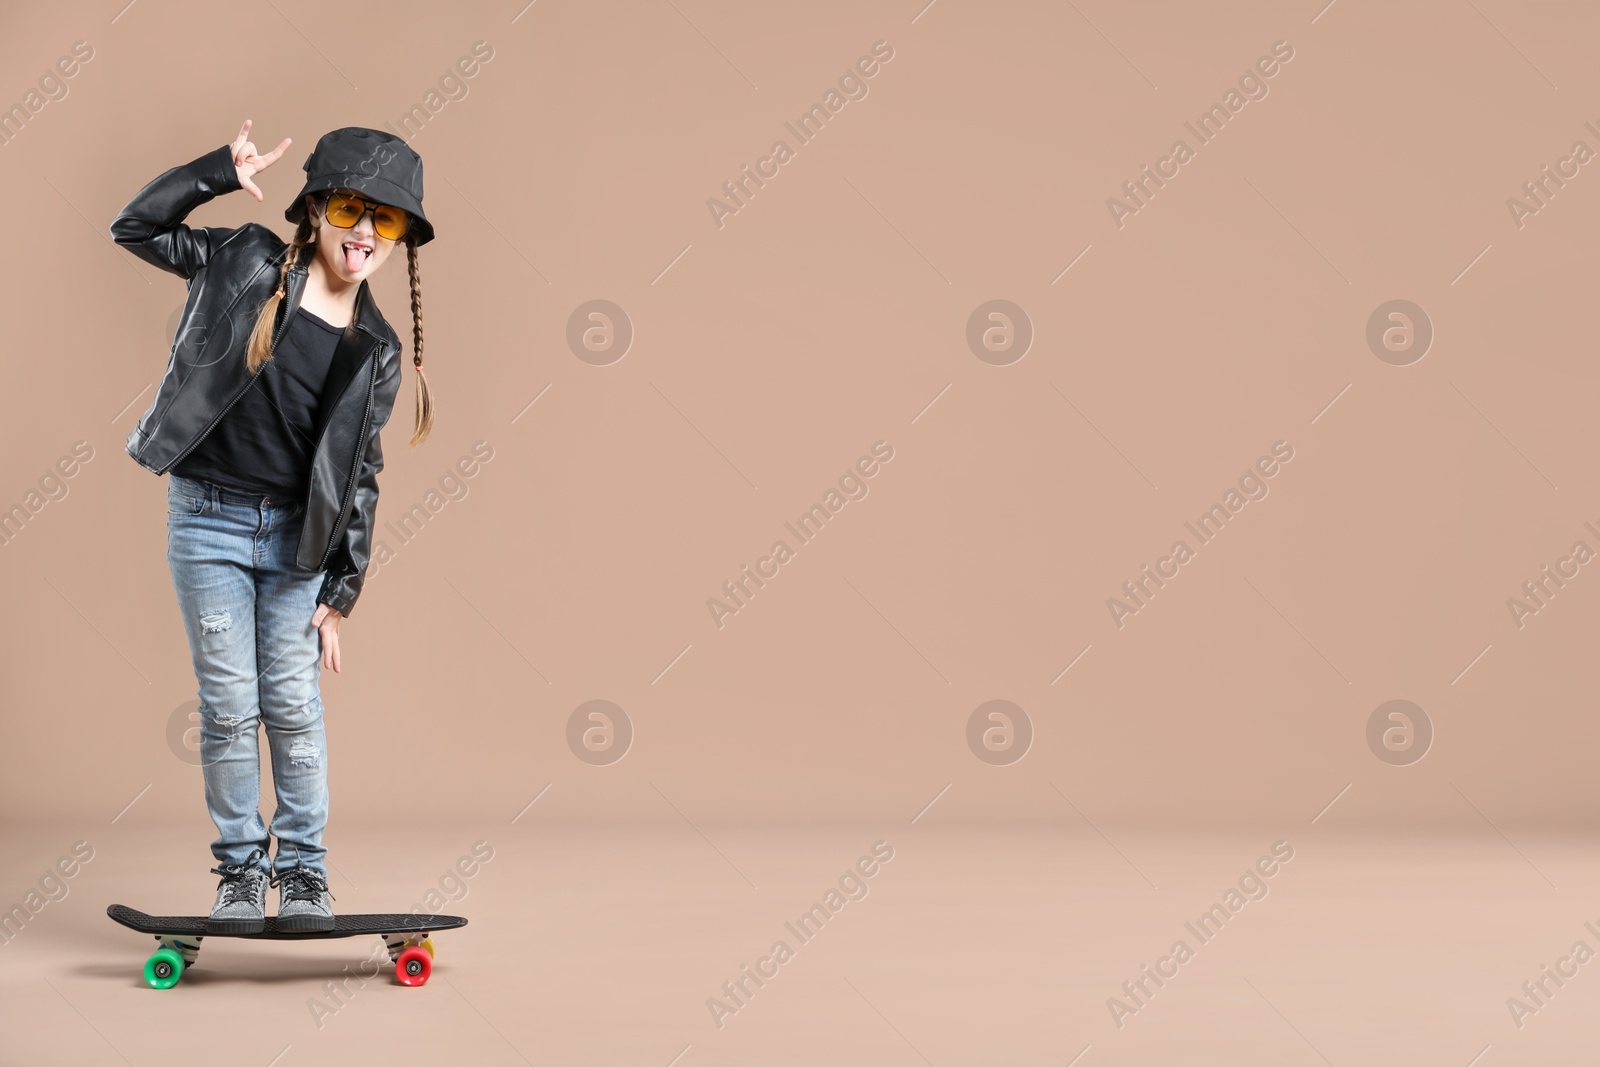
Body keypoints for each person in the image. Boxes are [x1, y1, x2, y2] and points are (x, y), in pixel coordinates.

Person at [110, 120, 437, 932]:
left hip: (297, 545)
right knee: (226, 707)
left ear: (401, 240)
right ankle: (240, 874)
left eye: (386, 219)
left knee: (291, 705)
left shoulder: (377, 349)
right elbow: (136, 227)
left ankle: (304, 877)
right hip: (207, 524)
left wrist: (342, 589)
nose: (365, 231)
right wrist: (216, 172)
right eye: (353, 209)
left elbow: (360, 473)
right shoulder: (244, 262)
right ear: (318, 208)